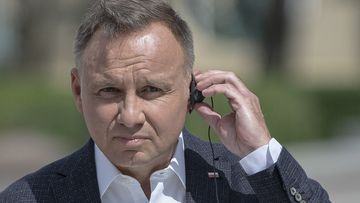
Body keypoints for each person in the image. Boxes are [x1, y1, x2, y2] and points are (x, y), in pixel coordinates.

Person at [0, 0, 330, 202]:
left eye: (151, 91)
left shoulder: (249, 183)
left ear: (192, 89)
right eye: (108, 91)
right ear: (77, 91)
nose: (130, 116)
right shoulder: (28, 197)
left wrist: (260, 153)